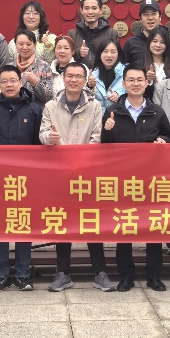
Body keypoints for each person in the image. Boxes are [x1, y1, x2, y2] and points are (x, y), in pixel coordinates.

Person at [40, 62, 114, 292]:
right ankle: (63, 273)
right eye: (69, 76)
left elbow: (97, 137)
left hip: (86, 173)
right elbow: (43, 133)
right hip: (59, 174)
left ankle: (100, 272)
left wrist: (80, 163)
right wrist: (49, 138)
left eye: (78, 77)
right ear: (63, 78)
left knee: (91, 221)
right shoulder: (51, 106)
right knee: (63, 222)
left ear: (85, 80)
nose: (73, 80)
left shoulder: (95, 106)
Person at [101, 65, 170, 292]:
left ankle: (154, 276)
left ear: (146, 83)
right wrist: (107, 130)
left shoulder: (156, 111)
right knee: (125, 226)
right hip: (123, 179)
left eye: (139, 79)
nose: (135, 83)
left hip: (150, 179)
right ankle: (126, 276)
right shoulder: (113, 111)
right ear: (123, 84)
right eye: (130, 80)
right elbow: (104, 146)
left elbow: (167, 135)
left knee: (153, 227)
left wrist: (162, 140)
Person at [0, 65, 43, 292]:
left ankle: (23, 274)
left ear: (21, 82)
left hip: (26, 179)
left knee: (23, 224)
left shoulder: (34, 109)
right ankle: (1, 274)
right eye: (4, 81)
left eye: (13, 80)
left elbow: (40, 143)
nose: (9, 85)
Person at [67, 0, 117, 68]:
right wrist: (78, 53)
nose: (90, 12)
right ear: (81, 10)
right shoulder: (72, 34)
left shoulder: (111, 33)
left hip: (103, 74)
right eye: (86, 8)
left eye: (94, 8)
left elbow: (117, 58)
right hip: (79, 74)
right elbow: (66, 58)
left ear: (100, 10)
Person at [123, 0, 170, 66]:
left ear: (160, 17)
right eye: (146, 14)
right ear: (140, 19)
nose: (150, 18)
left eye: (154, 14)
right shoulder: (131, 43)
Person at [14, 30, 55, 105]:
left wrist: (35, 82)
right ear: (16, 45)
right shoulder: (10, 67)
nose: (25, 47)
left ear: (35, 45)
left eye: (28, 44)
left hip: (36, 111)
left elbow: (49, 97)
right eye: (21, 44)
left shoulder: (44, 66)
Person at [92, 40, 125, 110]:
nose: (109, 55)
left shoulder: (126, 73)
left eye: (113, 52)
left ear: (118, 54)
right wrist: (89, 86)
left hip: (119, 114)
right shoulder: (92, 75)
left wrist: (119, 94)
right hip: (98, 115)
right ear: (100, 55)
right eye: (105, 51)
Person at [143, 30, 170, 95]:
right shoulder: (140, 65)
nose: (158, 45)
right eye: (154, 41)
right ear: (149, 43)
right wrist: (148, 81)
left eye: (162, 42)